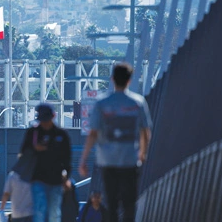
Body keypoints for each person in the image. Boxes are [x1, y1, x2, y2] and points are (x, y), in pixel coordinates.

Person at [78, 63, 152, 222]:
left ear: (112, 79)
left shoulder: (102, 104)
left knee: (111, 203)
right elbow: (145, 132)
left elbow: (93, 133)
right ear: (129, 80)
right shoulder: (138, 102)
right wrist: (143, 153)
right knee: (129, 203)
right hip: (130, 159)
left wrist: (83, 160)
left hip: (108, 160)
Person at [19, 103, 72, 222]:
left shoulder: (61, 134)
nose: (44, 123)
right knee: (39, 210)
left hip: (56, 179)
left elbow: (67, 158)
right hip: (37, 177)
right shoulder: (33, 133)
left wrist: (67, 177)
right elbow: (23, 152)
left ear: (53, 116)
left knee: (54, 212)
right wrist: (34, 148)